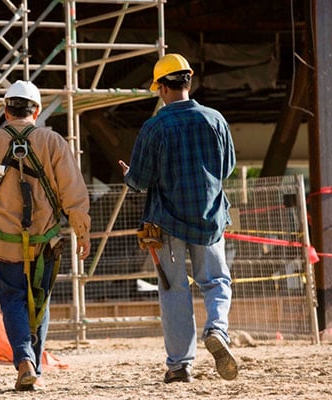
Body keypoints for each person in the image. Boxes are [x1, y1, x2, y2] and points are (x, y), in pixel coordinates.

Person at [0, 80, 91, 391]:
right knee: (39, 301)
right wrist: (82, 231)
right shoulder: (53, 142)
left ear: (6, 111)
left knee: (14, 298)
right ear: (37, 110)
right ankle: (34, 365)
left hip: (6, 244)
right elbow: (73, 190)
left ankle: (24, 361)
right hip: (45, 243)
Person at [118, 53, 238, 383]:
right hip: (211, 220)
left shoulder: (154, 127)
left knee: (175, 291)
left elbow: (140, 181)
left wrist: (130, 176)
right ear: (189, 81)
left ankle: (179, 365)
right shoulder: (215, 120)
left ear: (161, 89)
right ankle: (217, 330)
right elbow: (226, 169)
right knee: (215, 281)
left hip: (167, 223)